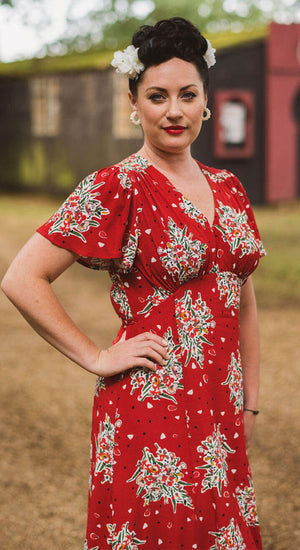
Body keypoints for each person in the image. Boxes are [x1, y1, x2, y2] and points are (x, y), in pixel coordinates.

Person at [1, 17, 265, 550]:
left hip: (220, 408)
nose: (174, 111)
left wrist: (249, 403)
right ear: (134, 100)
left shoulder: (231, 189)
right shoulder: (118, 185)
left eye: (187, 95)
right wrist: (98, 357)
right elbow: (22, 277)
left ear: (205, 100)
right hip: (151, 410)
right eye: (157, 96)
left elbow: (244, 302)